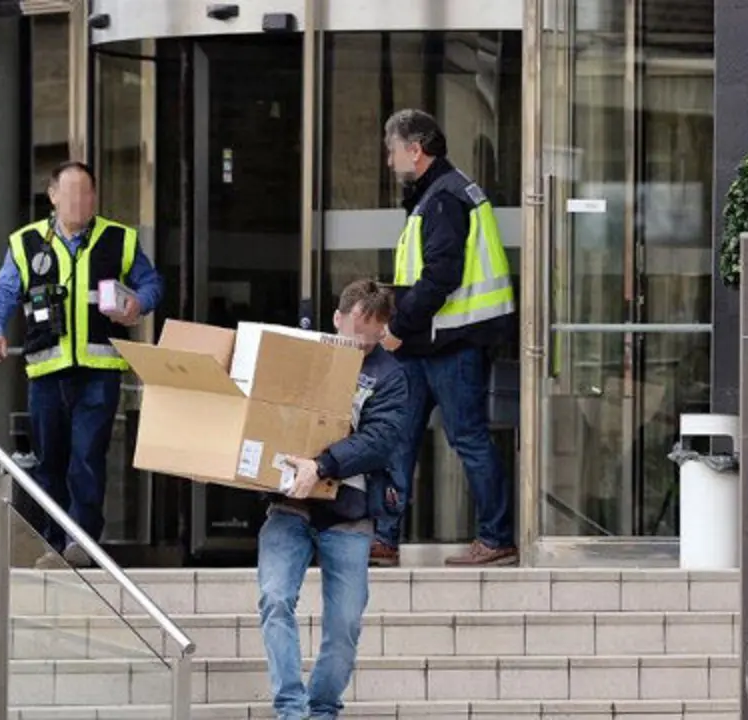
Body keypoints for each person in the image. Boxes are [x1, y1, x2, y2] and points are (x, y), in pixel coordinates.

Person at [0, 160, 163, 569]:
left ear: (95, 197)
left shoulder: (119, 239)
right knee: (50, 461)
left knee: (87, 457)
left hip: (99, 372)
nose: (78, 201)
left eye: (86, 193)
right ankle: (53, 544)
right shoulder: (27, 242)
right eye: (70, 193)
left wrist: (138, 302)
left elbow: (152, 283)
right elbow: (4, 291)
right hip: (46, 373)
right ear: (53, 196)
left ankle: (82, 543)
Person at [258, 280, 408, 720]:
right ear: (337, 318)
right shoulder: (302, 357)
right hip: (289, 504)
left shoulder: (390, 376)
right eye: (353, 333)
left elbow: (380, 440)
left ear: (383, 331)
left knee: (344, 625)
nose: (359, 344)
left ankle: (322, 709)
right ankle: (291, 710)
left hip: (349, 513)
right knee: (274, 598)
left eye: (370, 338)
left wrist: (321, 465)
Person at [378, 108, 517, 567]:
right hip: (430, 342)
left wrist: (397, 327)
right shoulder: (437, 193)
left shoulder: (443, 199)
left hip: (450, 344)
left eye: (393, 151)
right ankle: (384, 538)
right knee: (398, 437)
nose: (390, 161)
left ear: (415, 150)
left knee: (468, 439)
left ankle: (496, 539)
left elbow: (440, 277)